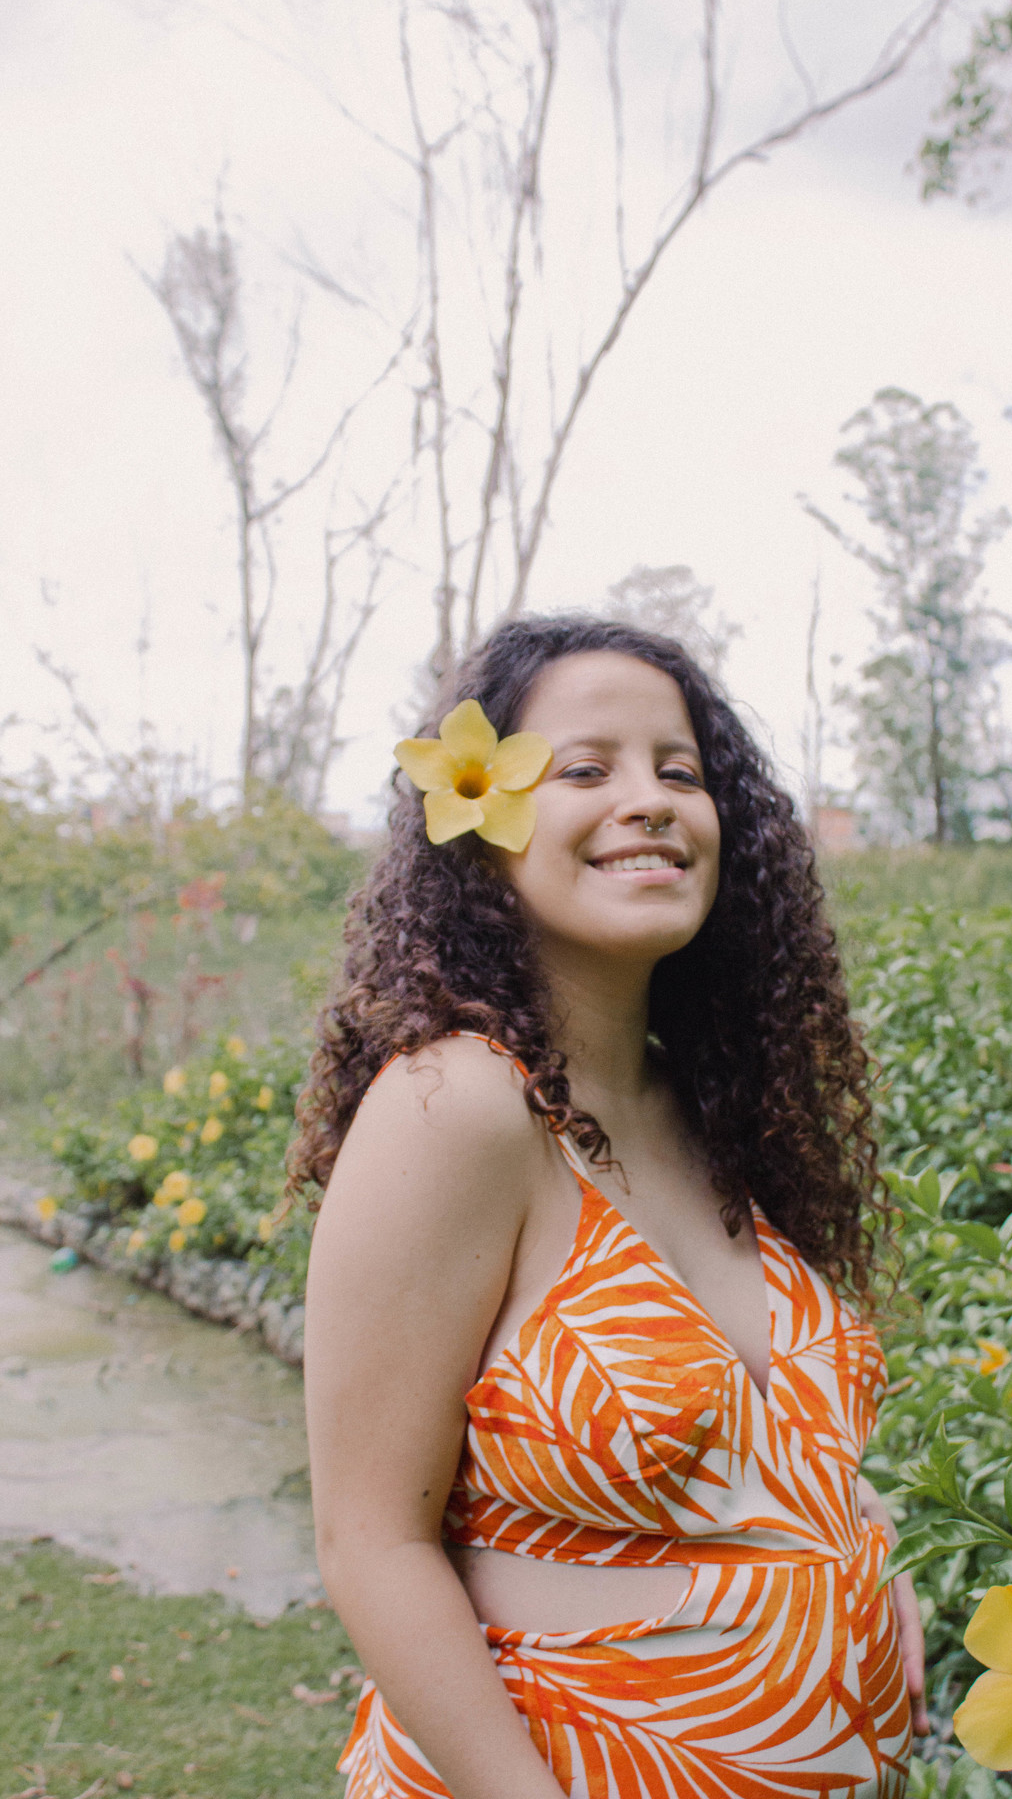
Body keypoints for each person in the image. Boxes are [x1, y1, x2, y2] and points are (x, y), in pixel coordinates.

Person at [291, 616, 926, 1799]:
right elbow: (370, 1543)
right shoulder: (456, 1109)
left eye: (678, 772)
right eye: (586, 770)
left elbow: (765, 1445)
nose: (649, 801)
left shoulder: (709, 1108)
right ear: (480, 829)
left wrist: (870, 1560)